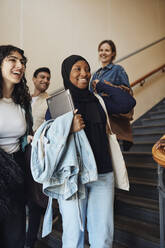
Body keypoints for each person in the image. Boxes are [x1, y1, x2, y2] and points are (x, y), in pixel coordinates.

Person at [32, 55, 136, 248]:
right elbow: (49, 138)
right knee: (73, 236)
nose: (84, 73)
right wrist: (67, 127)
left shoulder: (98, 100)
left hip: (103, 175)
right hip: (73, 178)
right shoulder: (59, 103)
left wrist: (101, 84)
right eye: (77, 69)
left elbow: (127, 103)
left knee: (103, 235)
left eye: (87, 69)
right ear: (67, 73)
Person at [0, 45, 32, 248]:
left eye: (22, 62)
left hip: (17, 174)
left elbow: (21, 135)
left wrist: (27, 141)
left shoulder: (23, 102)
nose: (19, 65)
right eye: (12, 60)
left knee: (15, 235)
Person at [90, 39, 134, 151]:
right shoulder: (95, 74)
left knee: (114, 155)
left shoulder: (117, 69)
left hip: (113, 120)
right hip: (98, 118)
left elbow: (126, 92)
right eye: (101, 50)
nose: (103, 53)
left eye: (107, 50)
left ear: (113, 53)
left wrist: (108, 87)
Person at [25, 67, 51, 248]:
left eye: (48, 78)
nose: (45, 80)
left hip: (38, 154)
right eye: (42, 77)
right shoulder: (23, 99)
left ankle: (30, 241)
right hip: (19, 153)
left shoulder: (50, 101)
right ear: (33, 79)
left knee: (36, 199)